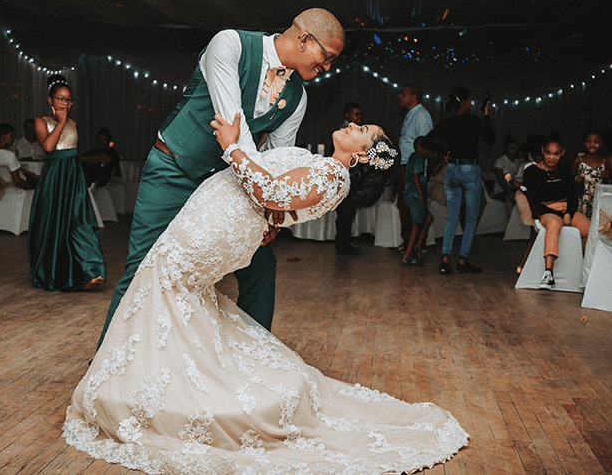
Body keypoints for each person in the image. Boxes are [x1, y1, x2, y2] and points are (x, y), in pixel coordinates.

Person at [64, 112, 468, 473]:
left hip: (213, 229)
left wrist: (231, 146)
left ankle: (152, 396)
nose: (352, 124)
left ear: (361, 155)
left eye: (361, 130)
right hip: (220, 220)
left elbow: (270, 192)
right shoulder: (326, 168)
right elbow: (279, 205)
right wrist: (272, 217)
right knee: (174, 294)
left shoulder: (333, 176)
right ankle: (151, 386)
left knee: (168, 285)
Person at [96, 8, 345, 351]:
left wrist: (272, 215)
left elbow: (277, 160)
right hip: (175, 169)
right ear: (304, 39)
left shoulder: (298, 99)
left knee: (261, 267)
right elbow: (232, 126)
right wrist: (263, 197)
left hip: (228, 188)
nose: (327, 67)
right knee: (143, 266)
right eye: (326, 56)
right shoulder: (230, 44)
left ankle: (253, 363)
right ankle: (106, 364)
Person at [28, 75, 106, 291]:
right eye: (61, 99)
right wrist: (60, 122)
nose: (66, 103)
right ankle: (55, 272)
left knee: (80, 222)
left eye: (69, 100)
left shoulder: (74, 123)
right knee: (54, 224)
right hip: (54, 176)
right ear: (50, 100)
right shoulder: (41, 121)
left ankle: (90, 272)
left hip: (73, 175)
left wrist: (65, 122)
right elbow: (48, 148)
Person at [425, 86, 495, 274]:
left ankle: (445, 261)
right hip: (470, 170)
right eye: (470, 100)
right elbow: (491, 139)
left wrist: (443, 152)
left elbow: (425, 141)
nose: (471, 103)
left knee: (452, 218)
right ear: (463, 102)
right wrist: (486, 115)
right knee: (470, 219)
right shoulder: (474, 120)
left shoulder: (446, 123)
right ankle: (462, 262)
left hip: (452, 169)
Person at [523, 137, 590, 289]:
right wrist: (560, 214)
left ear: (562, 153)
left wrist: (568, 212)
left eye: (556, 154)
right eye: (548, 153)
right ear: (542, 151)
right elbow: (535, 200)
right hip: (546, 211)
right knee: (554, 224)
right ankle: (548, 273)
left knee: (588, 227)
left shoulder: (565, 170)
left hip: (567, 208)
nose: (552, 157)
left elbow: (572, 195)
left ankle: (586, 269)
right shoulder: (531, 171)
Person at [396, 84, 433, 250]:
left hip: (414, 169)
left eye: (403, 94)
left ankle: (417, 245)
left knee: (414, 208)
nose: (400, 97)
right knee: (404, 206)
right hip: (405, 165)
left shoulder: (422, 116)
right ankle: (407, 242)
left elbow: (425, 146)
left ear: (413, 96)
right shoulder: (411, 114)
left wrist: (419, 172)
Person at [572, 129, 612, 218]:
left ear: (601, 143)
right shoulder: (578, 161)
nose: (592, 145)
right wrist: (576, 180)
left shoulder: (605, 161)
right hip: (583, 199)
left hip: (599, 198)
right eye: (588, 142)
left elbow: (610, 181)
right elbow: (570, 180)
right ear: (584, 143)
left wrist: (608, 176)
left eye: (596, 142)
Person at [334, 102, 364, 256]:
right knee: (345, 212)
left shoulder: (355, 131)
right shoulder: (343, 132)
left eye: (360, 114)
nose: (359, 117)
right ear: (347, 115)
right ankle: (342, 245)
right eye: (356, 114)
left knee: (348, 212)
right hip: (344, 176)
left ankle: (344, 243)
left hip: (351, 176)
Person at [401, 136, 434, 266]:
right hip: (415, 195)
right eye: (426, 149)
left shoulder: (412, 157)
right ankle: (407, 254)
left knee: (429, 217)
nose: (428, 152)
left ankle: (417, 248)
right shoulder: (419, 158)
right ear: (420, 148)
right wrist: (421, 195)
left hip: (409, 194)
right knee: (416, 224)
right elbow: (416, 176)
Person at [0, 123, 38, 191]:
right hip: (18, 183)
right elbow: (17, 181)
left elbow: (8, 169)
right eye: (11, 136)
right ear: (3, 137)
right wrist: (32, 188)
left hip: (1, 184)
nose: (13, 139)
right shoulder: (9, 155)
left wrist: (30, 173)